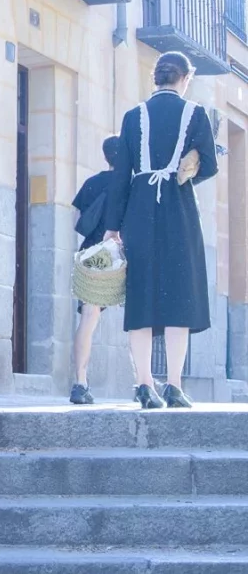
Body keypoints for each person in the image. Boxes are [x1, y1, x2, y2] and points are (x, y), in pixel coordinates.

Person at [103, 51, 218, 409]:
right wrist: (190, 168)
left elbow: (120, 176)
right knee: (178, 298)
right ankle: (173, 384)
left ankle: (142, 384)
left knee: (140, 297)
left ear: (156, 78)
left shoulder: (132, 116)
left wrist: (112, 228)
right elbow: (209, 166)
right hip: (178, 210)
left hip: (138, 211)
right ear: (185, 78)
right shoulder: (195, 114)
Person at [68, 135, 121, 405]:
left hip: (92, 253)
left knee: (88, 319)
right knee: (139, 320)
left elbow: (76, 220)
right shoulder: (130, 184)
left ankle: (80, 382)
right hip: (121, 254)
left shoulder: (91, 183)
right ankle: (145, 382)